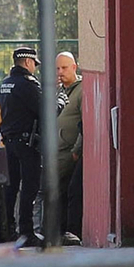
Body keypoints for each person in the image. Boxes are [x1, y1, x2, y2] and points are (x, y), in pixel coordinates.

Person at [0, 45, 44, 248]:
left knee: (11, 188)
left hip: (9, 142)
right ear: (27, 62)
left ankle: (8, 230)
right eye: (34, 63)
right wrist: (59, 101)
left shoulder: (5, 84)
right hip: (27, 143)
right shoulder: (28, 84)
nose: (35, 68)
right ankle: (26, 231)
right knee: (30, 186)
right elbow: (45, 110)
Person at [54, 52, 84, 244]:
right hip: (56, 151)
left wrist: (76, 150)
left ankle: (70, 232)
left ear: (74, 67)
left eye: (64, 68)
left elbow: (84, 123)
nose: (60, 72)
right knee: (55, 191)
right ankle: (58, 231)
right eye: (57, 68)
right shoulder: (59, 91)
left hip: (70, 152)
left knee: (68, 191)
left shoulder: (81, 91)